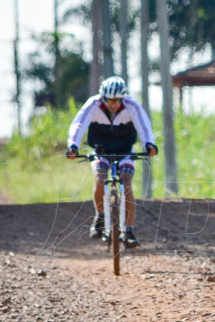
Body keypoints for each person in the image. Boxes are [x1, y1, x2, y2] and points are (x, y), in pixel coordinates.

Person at [65, 76, 157, 248]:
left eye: (116, 100)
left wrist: (149, 144)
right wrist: (73, 146)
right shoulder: (93, 105)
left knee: (127, 185)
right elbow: (79, 125)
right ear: (102, 97)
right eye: (108, 100)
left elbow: (144, 126)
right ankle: (100, 216)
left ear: (123, 98)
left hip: (125, 151)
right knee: (100, 180)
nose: (112, 104)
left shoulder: (132, 106)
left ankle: (129, 231)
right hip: (101, 151)